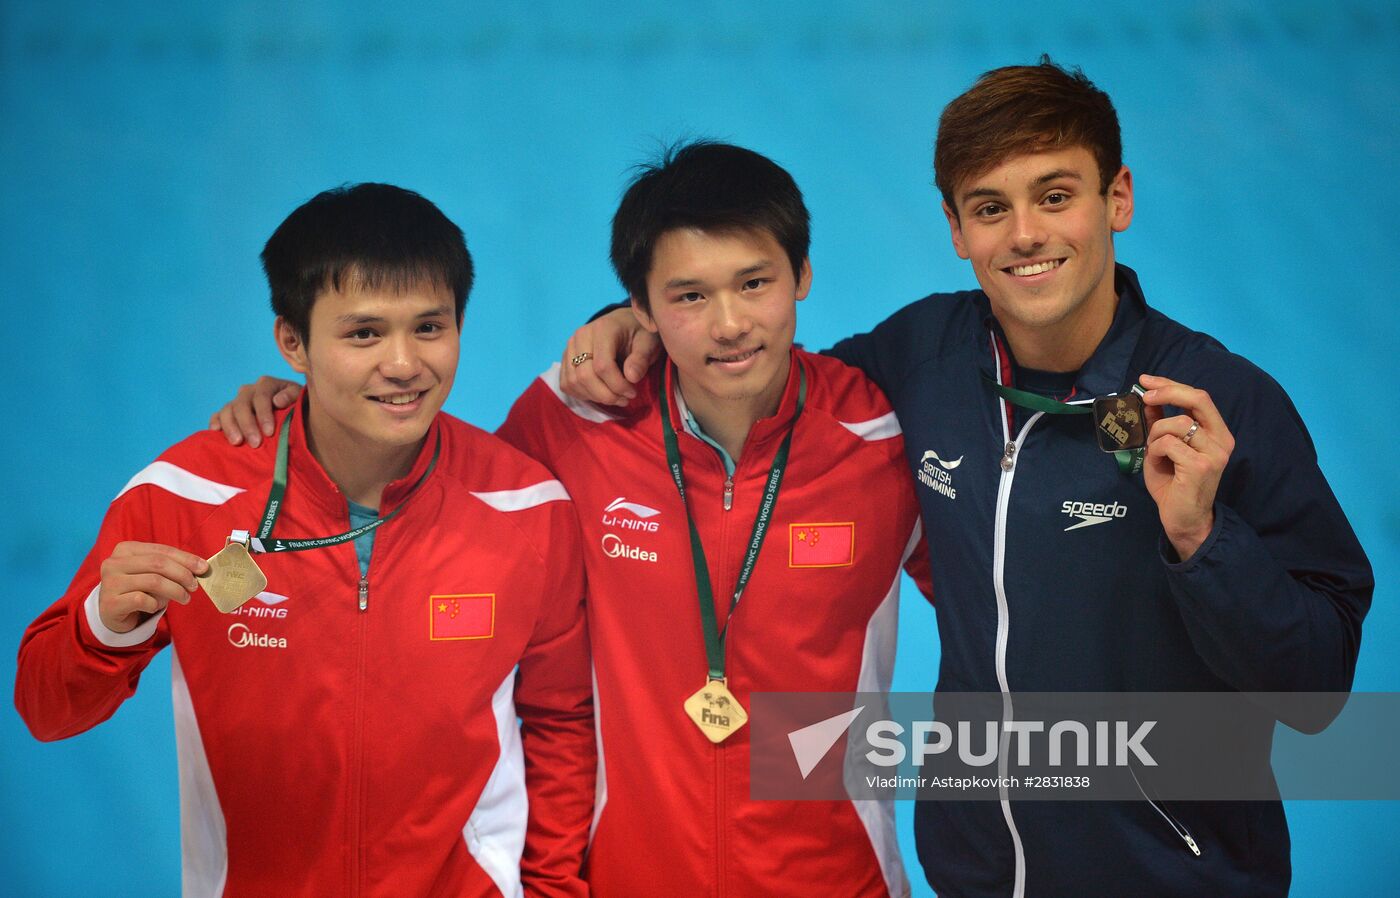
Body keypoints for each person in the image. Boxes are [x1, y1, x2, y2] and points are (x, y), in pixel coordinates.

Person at [555, 61, 1374, 897]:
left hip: (1171, 876)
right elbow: (762, 382)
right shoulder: (924, 360)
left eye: (1055, 196)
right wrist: (631, 325)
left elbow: (1315, 694)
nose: (1024, 234)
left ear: (1116, 198)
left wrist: (1204, 540)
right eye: (990, 207)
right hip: (976, 875)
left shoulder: (1219, 402)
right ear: (955, 227)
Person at [209, 143, 933, 897]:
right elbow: (435, 502)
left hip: (837, 881)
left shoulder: (883, 438)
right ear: (641, 309)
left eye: (755, 283)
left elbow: (1008, 614)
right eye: (687, 296)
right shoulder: (574, 418)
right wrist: (305, 407)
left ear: (802, 276)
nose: (729, 323)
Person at [15, 184, 595, 898]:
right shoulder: (183, 496)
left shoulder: (525, 505)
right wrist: (106, 626)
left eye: (429, 327)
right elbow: (45, 710)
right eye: (363, 334)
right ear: (293, 342)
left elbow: (562, 725)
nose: (404, 363)